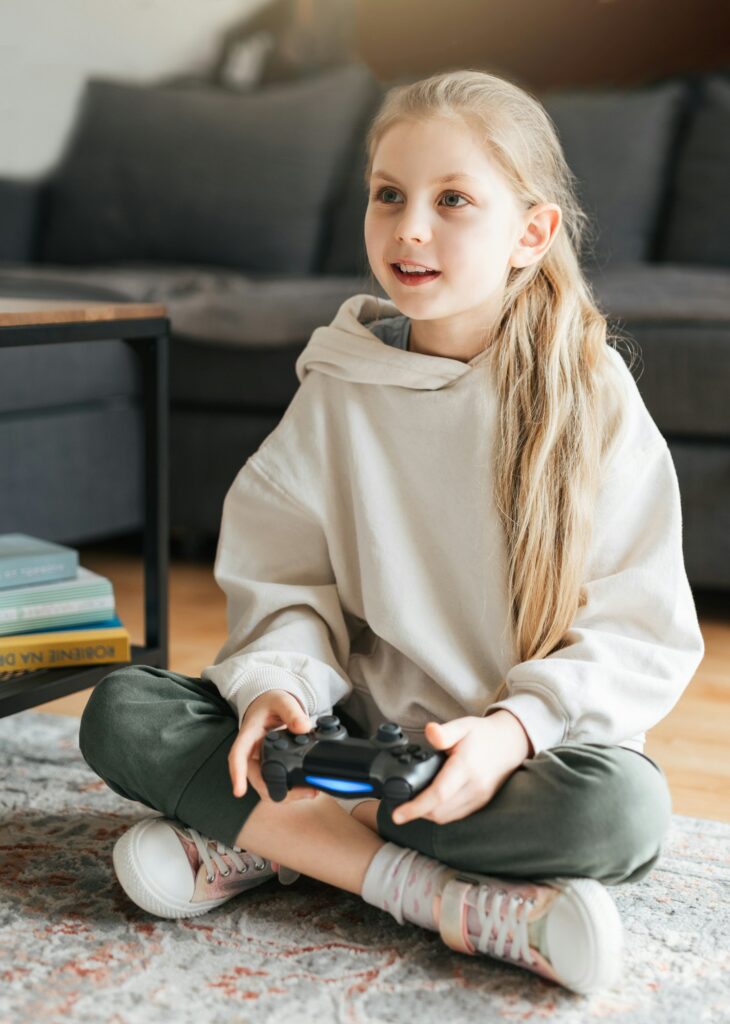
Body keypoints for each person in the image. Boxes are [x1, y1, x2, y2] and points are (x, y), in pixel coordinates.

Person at [78, 68, 705, 996]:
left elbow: (636, 627)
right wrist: (277, 694)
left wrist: (511, 732)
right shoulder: (339, 384)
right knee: (121, 709)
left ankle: (273, 840)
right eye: (388, 196)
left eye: (454, 200)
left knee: (620, 812)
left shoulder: (593, 395)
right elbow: (286, 583)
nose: (410, 227)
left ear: (531, 233)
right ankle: (435, 894)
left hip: (494, 764)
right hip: (346, 738)